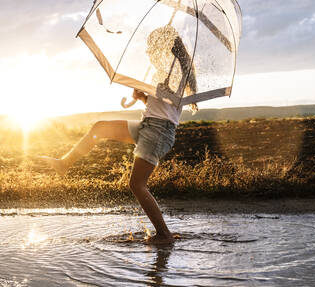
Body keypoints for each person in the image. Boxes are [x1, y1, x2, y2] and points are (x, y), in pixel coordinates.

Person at [40, 26, 197, 245]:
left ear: (163, 47)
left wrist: (148, 90)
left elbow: (168, 105)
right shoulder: (164, 71)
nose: (148, 53)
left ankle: (164, 234)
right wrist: (143, 97)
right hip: (149, 124)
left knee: (137, 185)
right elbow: (161, 105)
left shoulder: (174, 71)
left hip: (159, 131)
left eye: (151, 48)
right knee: (100, 127)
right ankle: (64, 164)